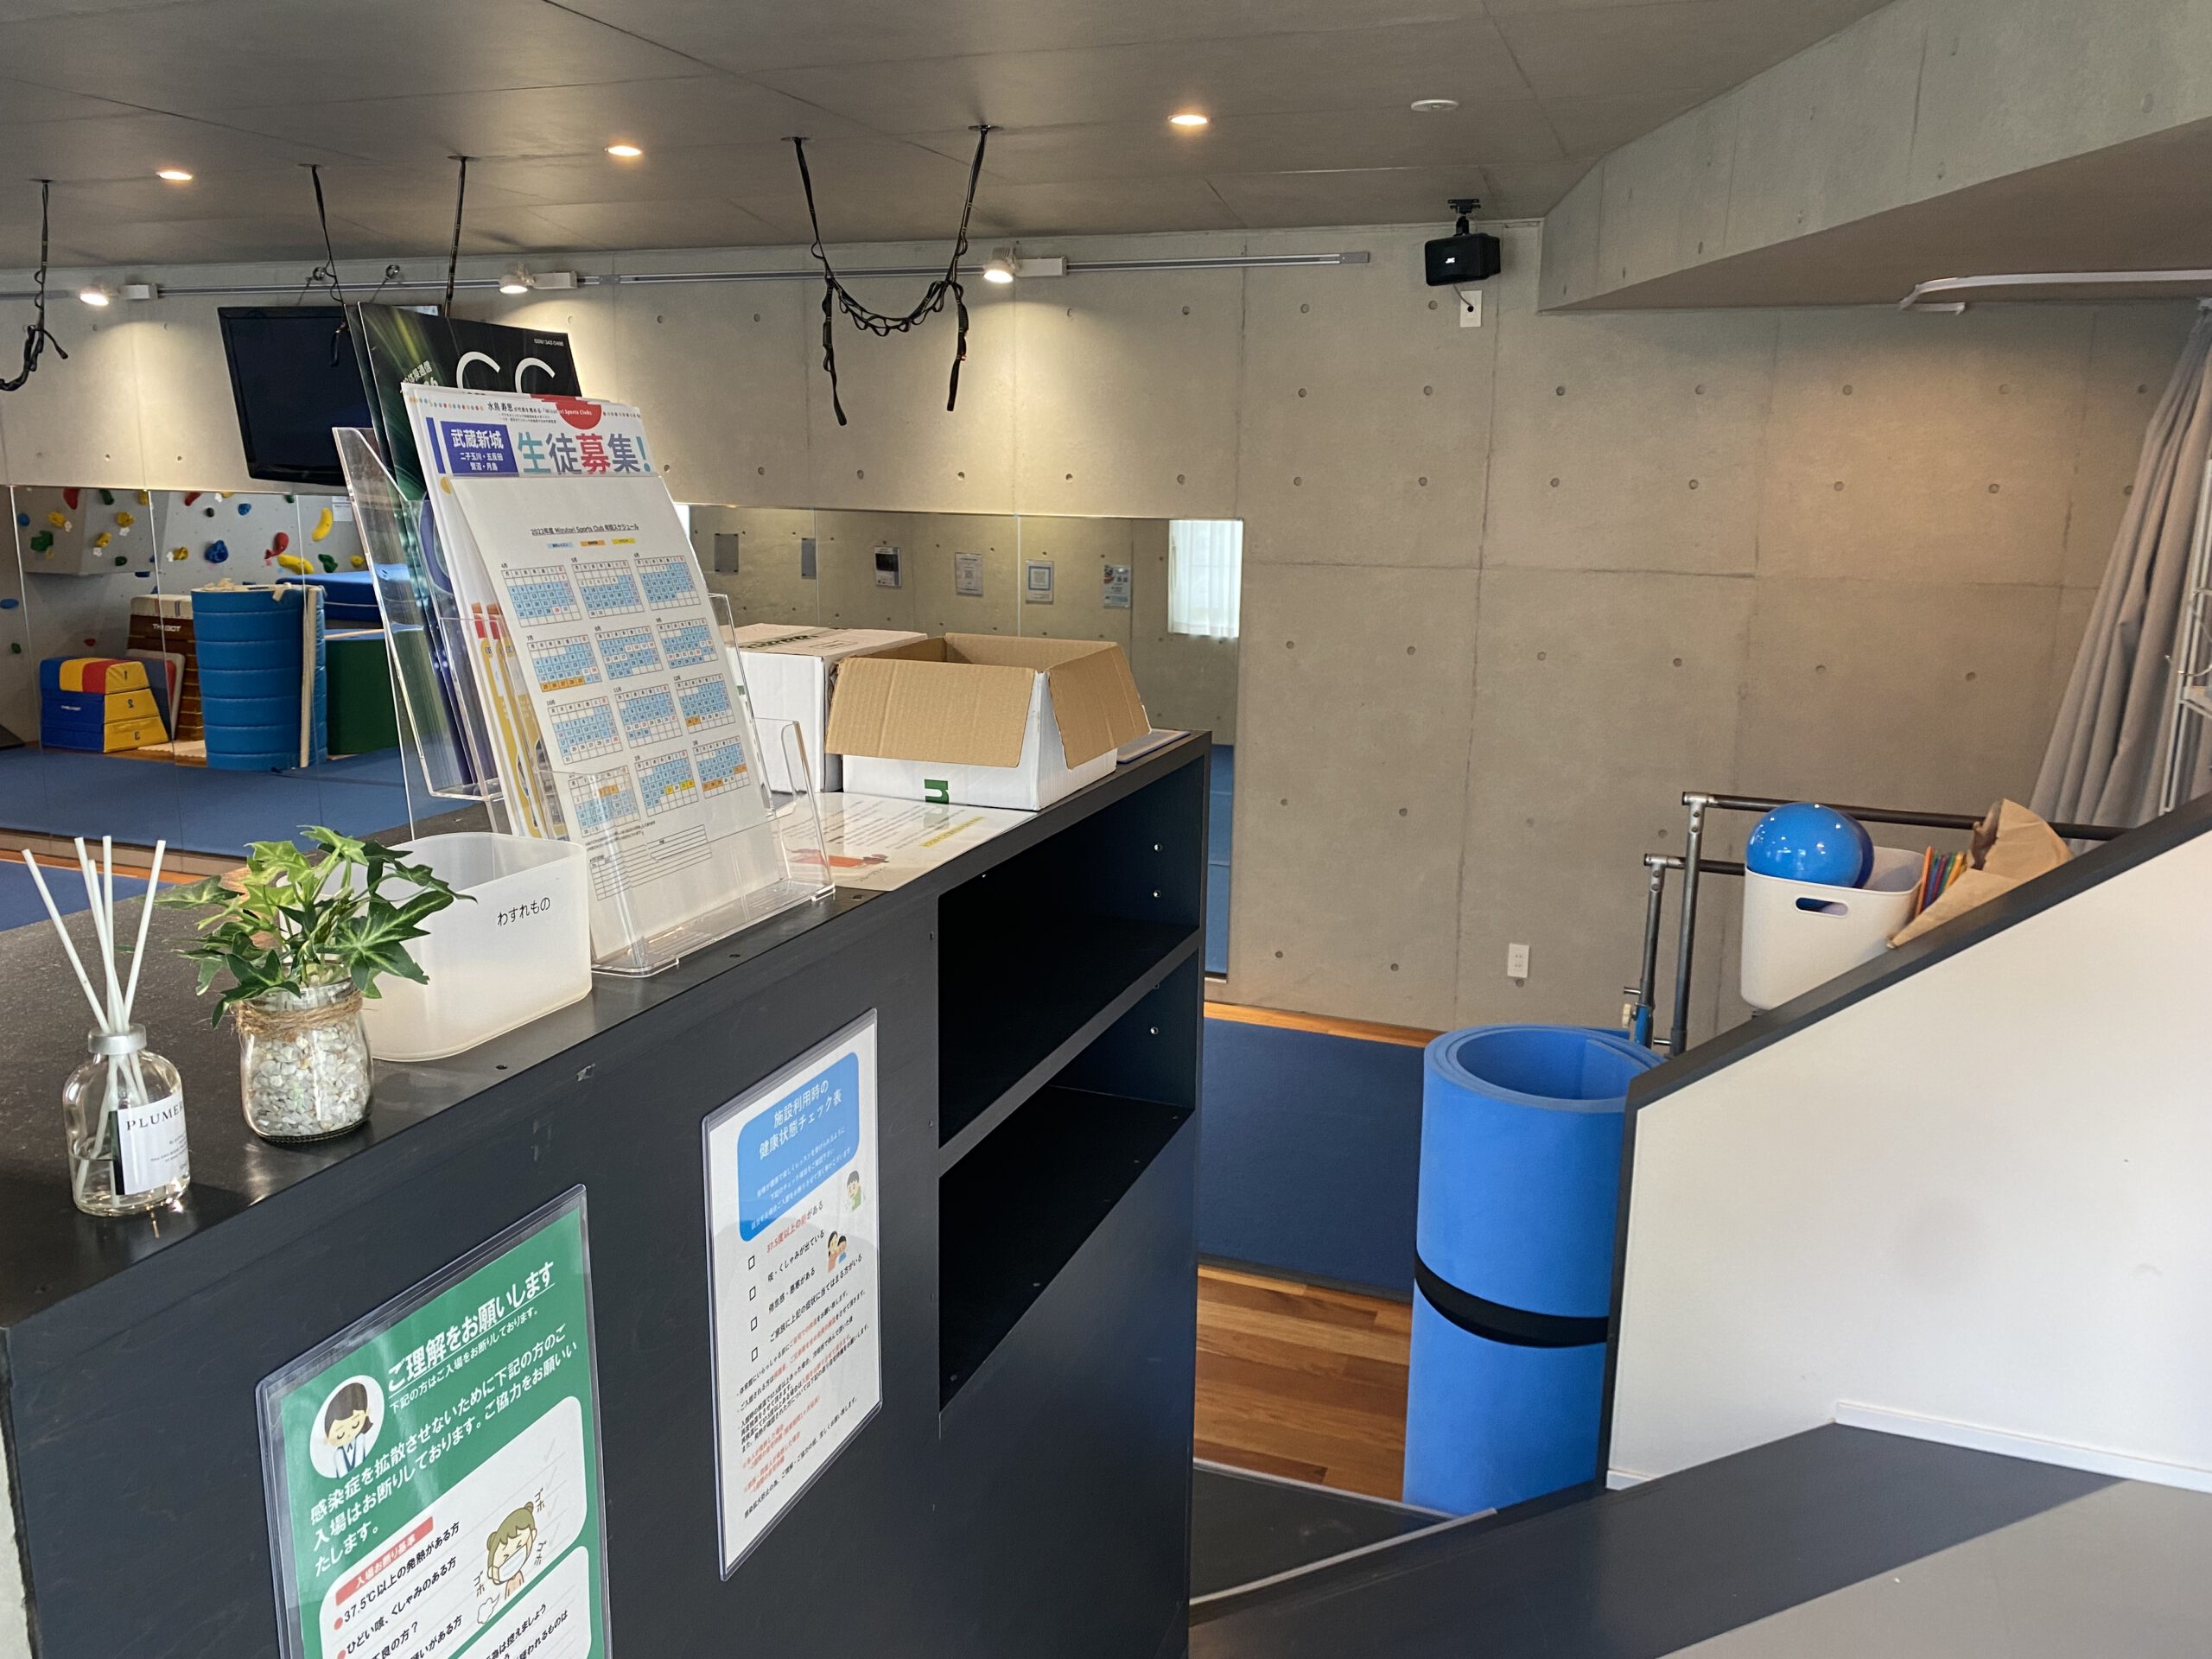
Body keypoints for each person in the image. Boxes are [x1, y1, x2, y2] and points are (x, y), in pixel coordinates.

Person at [484, 1505, 539, 1606]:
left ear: (533, 1534)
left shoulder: (518, 1575)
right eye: (506, 1557)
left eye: (519, 1545)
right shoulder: (509, 1582)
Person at [321, 1382, 374, 1475]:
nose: (349, 1434)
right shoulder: (338, 1455)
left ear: (367, 1412)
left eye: (355, 1425)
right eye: (340, 1435)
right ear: (327, 1438)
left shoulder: (361, 1440)